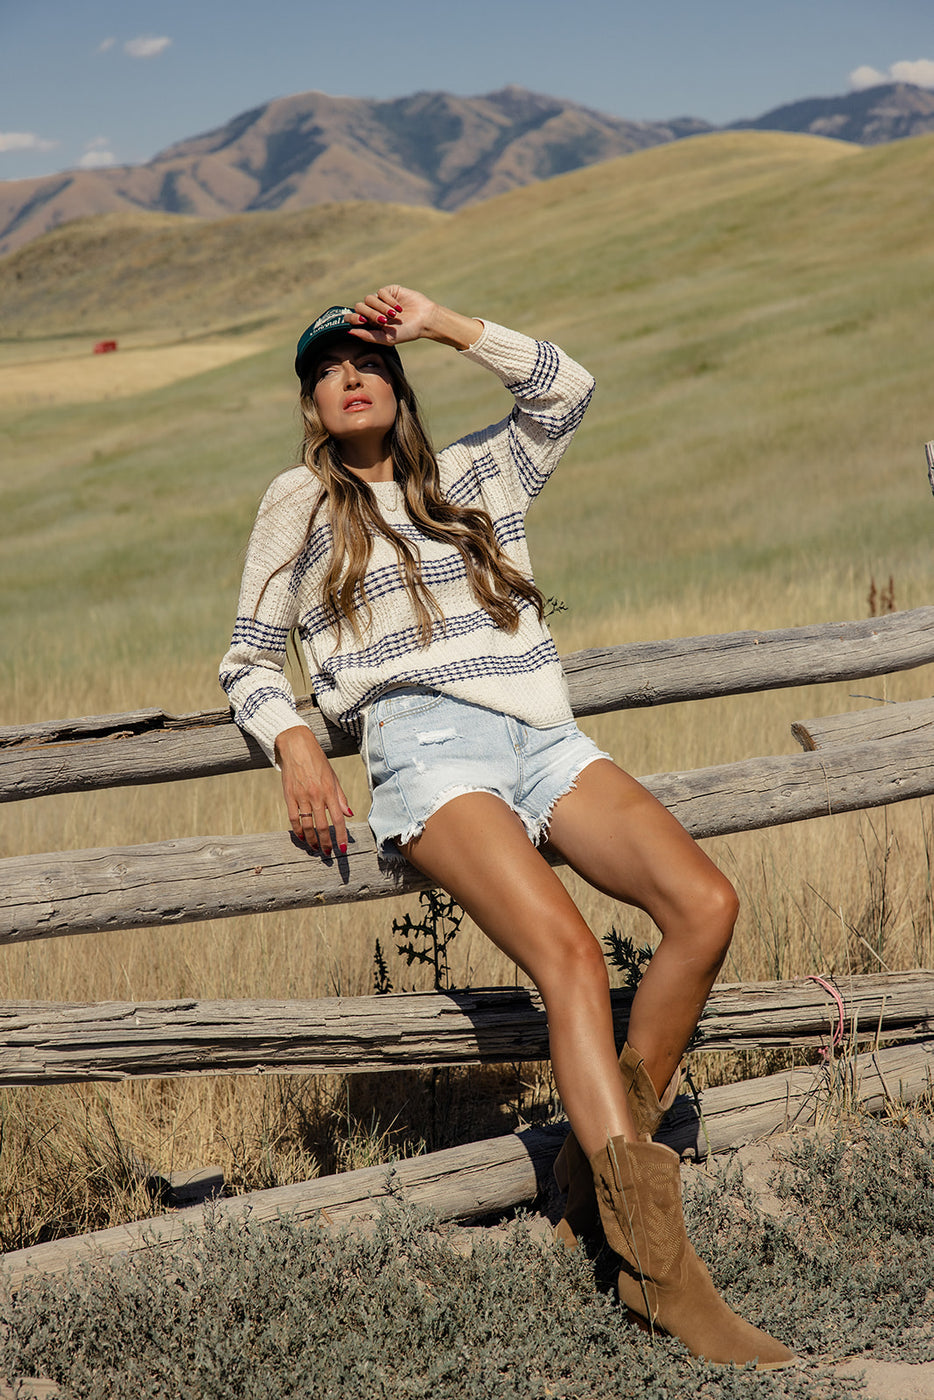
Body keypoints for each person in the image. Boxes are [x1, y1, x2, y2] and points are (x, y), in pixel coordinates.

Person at [220, 285, 794, 1369]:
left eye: (371, 360)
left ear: (398, 384)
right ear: (311, 403)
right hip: (430, 749)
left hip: (541, 733)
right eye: (331, 367)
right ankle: (663, 1275)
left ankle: (596, 1165)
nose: (353, 375)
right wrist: (296, 741)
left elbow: (564, 388)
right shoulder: (299, 499)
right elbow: (248, 658)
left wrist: (442, 322)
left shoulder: (479, 475)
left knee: (704, 905)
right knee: (572, 957)